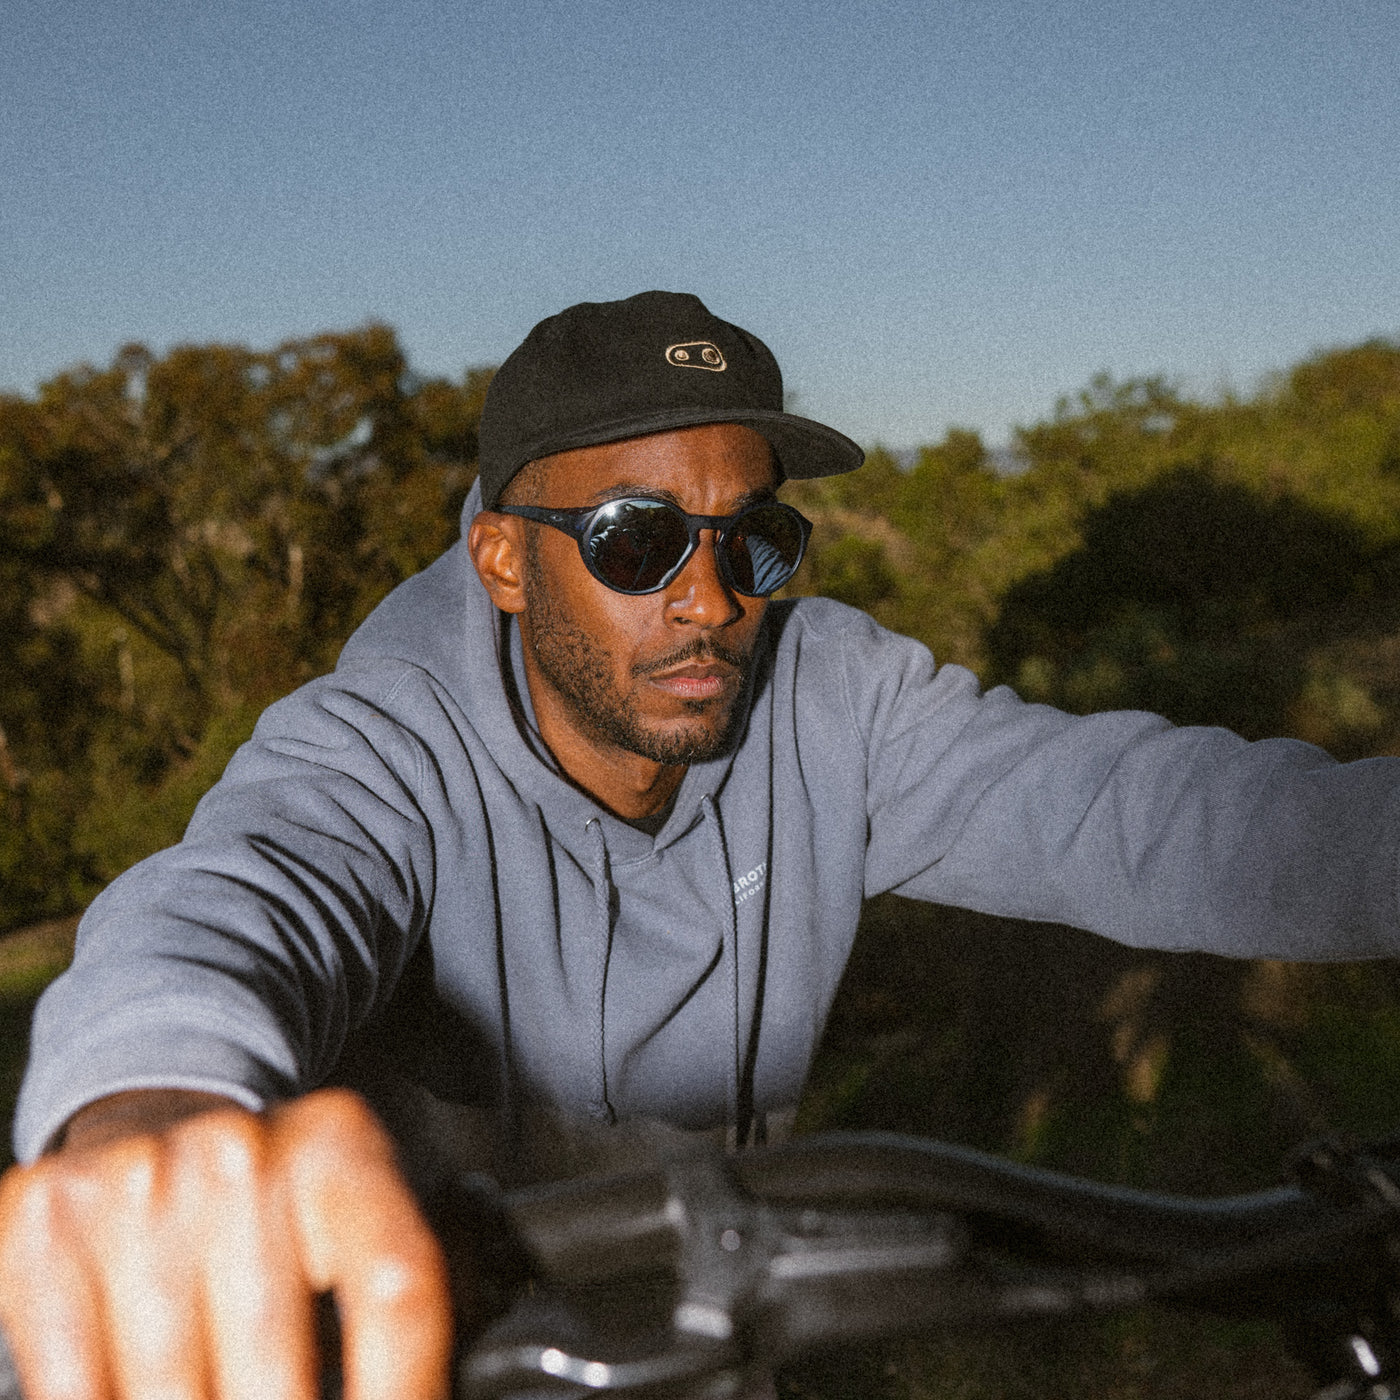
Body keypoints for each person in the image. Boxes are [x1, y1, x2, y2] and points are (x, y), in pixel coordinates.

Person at [2, 290, 1398, 1400]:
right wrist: (155, 1112)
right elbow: (235, 897)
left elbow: (1145, 814)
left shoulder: (838, 700)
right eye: (636, 539)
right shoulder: (384, 744)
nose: (712, 599)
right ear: (501, 557)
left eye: (755, 539)